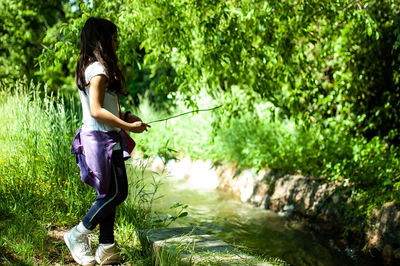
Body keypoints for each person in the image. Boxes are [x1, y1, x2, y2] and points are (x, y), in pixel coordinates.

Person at [65, 17, 150, 265]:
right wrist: (127, 127)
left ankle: (107, 247)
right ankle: (78, 233)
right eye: (113, 38)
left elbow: (106, 107)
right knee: (117, 193)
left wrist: (125, 116)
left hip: (104, 136)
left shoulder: (93, 69)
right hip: (102, 140)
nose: (116, 43)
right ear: (102, 40)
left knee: (108, 193)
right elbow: (95, 111)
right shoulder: (98, 71)